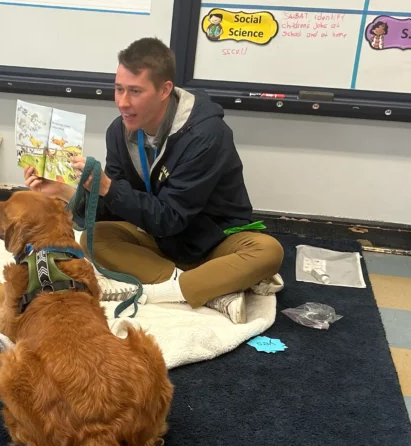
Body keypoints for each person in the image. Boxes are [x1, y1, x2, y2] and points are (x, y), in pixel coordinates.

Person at [24, 37, 284, 324]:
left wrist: (108, 185)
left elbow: (171, 217)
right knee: (93, 239)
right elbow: (113, 209)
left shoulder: (206, 135)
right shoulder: (119, 132)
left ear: (164, 90)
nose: (123, 102)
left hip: (215, 241)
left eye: (135, 91)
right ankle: (212, 292)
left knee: (269, 252)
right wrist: (64, 190)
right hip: (160, 238)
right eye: (119, 89)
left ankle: (166, 291)